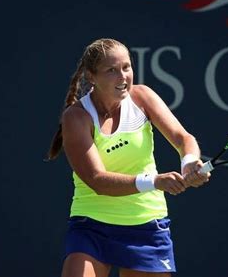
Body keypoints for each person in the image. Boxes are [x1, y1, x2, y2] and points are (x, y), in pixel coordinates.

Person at [47, 38, 210, 277]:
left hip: (147, 226)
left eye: (126, 67)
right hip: (92, 227)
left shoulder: (142, 97)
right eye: (111, 70)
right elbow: (97, 180)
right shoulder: (76, 117)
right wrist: (154, 181)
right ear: (91, 77)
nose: (123, 77)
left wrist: (189, 163)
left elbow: (182, 138)